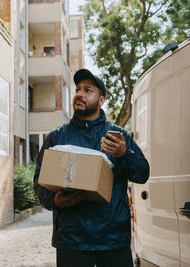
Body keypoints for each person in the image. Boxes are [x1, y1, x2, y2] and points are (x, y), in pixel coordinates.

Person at [33, 68, 150, 267]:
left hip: (113, 238)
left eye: (88, 90)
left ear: (101, 100)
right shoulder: (56, 137)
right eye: (78, 89)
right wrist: (55, 200)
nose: (80, 94)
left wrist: (124, 155)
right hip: (72, 240)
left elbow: (142, 174)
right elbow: (39, 182)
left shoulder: (117, 136)